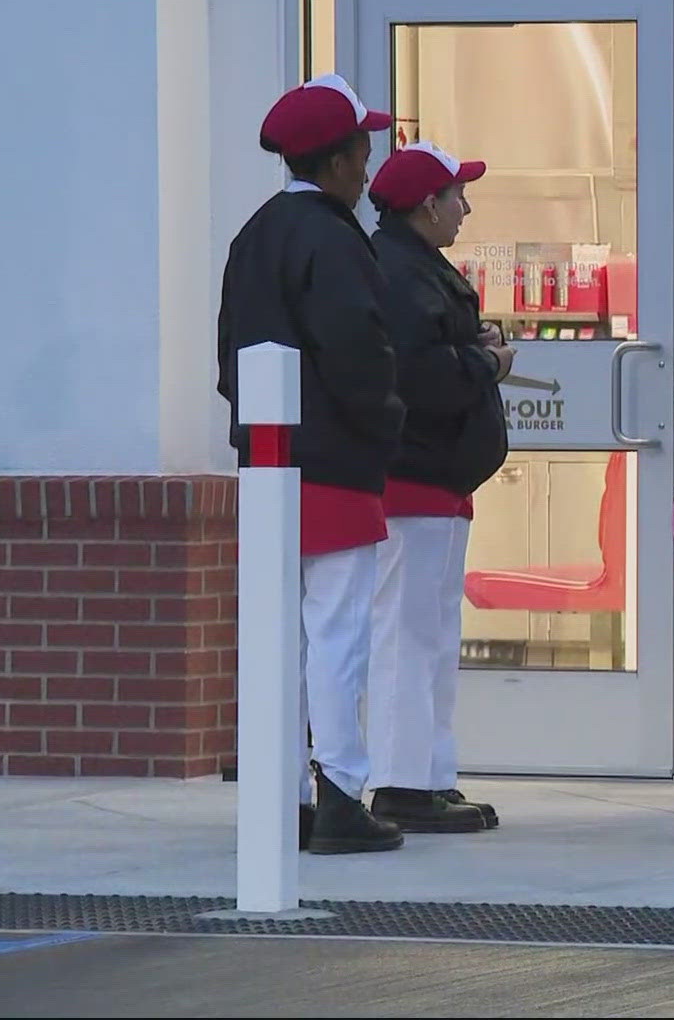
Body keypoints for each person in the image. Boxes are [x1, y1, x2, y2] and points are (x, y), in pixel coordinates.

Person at [216, 73, 405, 855]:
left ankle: (283, 795)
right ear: (332, 164)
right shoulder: (334, 239)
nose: (368, 173)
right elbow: (360, 354)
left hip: (267, 466)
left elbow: (230, 359)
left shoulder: (254, 234)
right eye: (362, 154)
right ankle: (341, 796)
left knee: (279, 641)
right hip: (332, 464)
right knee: (337, 635)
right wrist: (386, 422)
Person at [363, 142, 511, 834]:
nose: (465, 207)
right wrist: (485, 361)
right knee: (406, 633)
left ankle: (430, 774)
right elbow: (423, 378)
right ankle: (398, 782)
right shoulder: (399, 273)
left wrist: (472, 347)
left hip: (438, 482)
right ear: (426, 206)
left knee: (433, 632)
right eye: (457, 194)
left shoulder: (415, 269)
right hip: (412, 480)